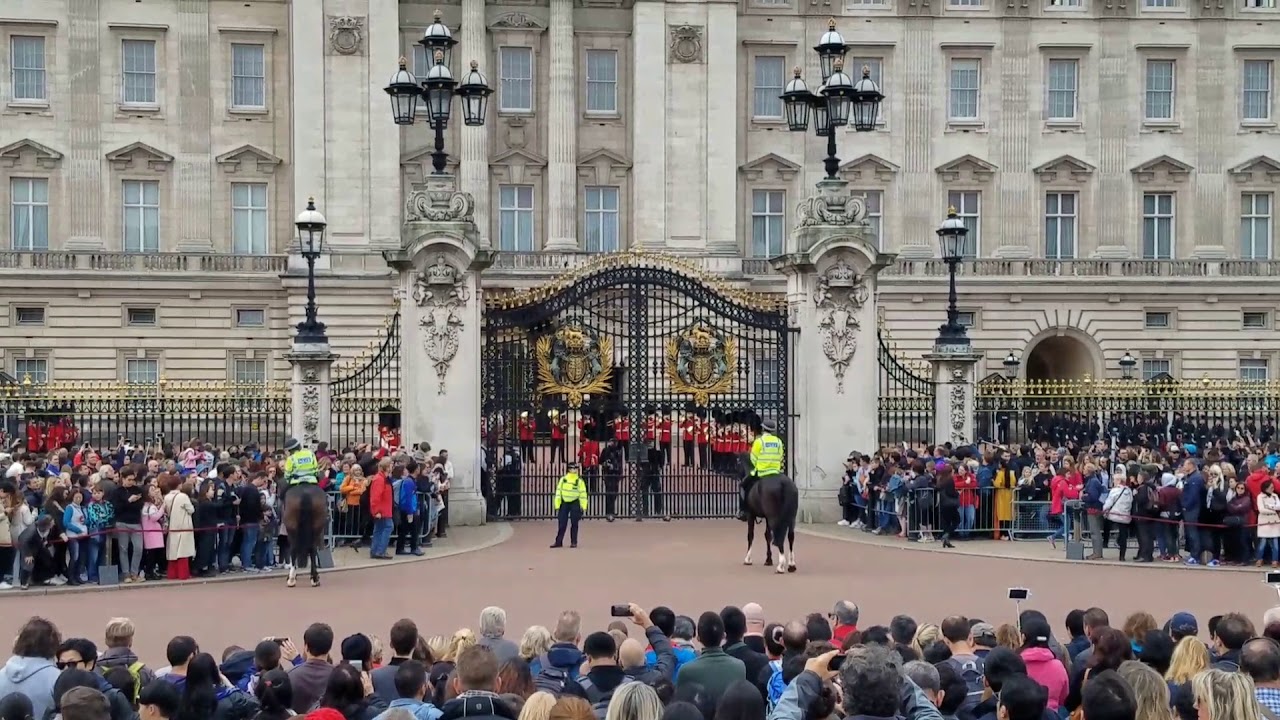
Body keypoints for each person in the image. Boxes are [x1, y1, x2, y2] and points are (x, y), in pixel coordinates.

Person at [738, 419, 783, 523]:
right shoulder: (778, 441)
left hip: (761, 472)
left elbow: (753, 458)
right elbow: (780, 456)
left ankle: (743, 511)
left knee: (743, 486)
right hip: (776, 472)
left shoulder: (759, 441)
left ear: (763, 429)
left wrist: (761, 465)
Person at [550, 463, 587, 550]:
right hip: (564, 503)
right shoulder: (563, 480)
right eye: (573, 468)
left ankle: (574, 542)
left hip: (575, 502)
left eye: (576, 468)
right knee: (562, 523)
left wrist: (583, 506)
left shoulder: (579, 481)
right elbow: (558, 492)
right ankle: (558, 542)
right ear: (569, 469)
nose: (575, 470)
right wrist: (557, 504)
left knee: (574, 523)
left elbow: (583, 494)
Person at [281, 439, 320, 505]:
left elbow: (287, 474)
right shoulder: (310, 454)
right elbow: (316, 468)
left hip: (296, 482)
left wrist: (288, 479)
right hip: (312, 481)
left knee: (282, 496)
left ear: (290, 450)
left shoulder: (291, 458)